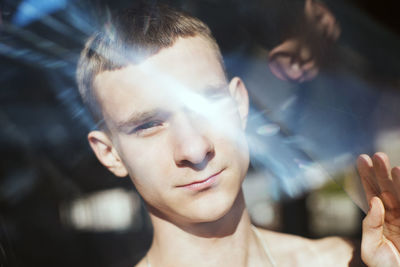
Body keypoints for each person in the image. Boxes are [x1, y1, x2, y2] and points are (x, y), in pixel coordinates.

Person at [76, 3, 400, 266]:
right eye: (148, 125)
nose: (194, 148)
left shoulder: (346, 261)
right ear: (109, 152)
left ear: (240, 105)